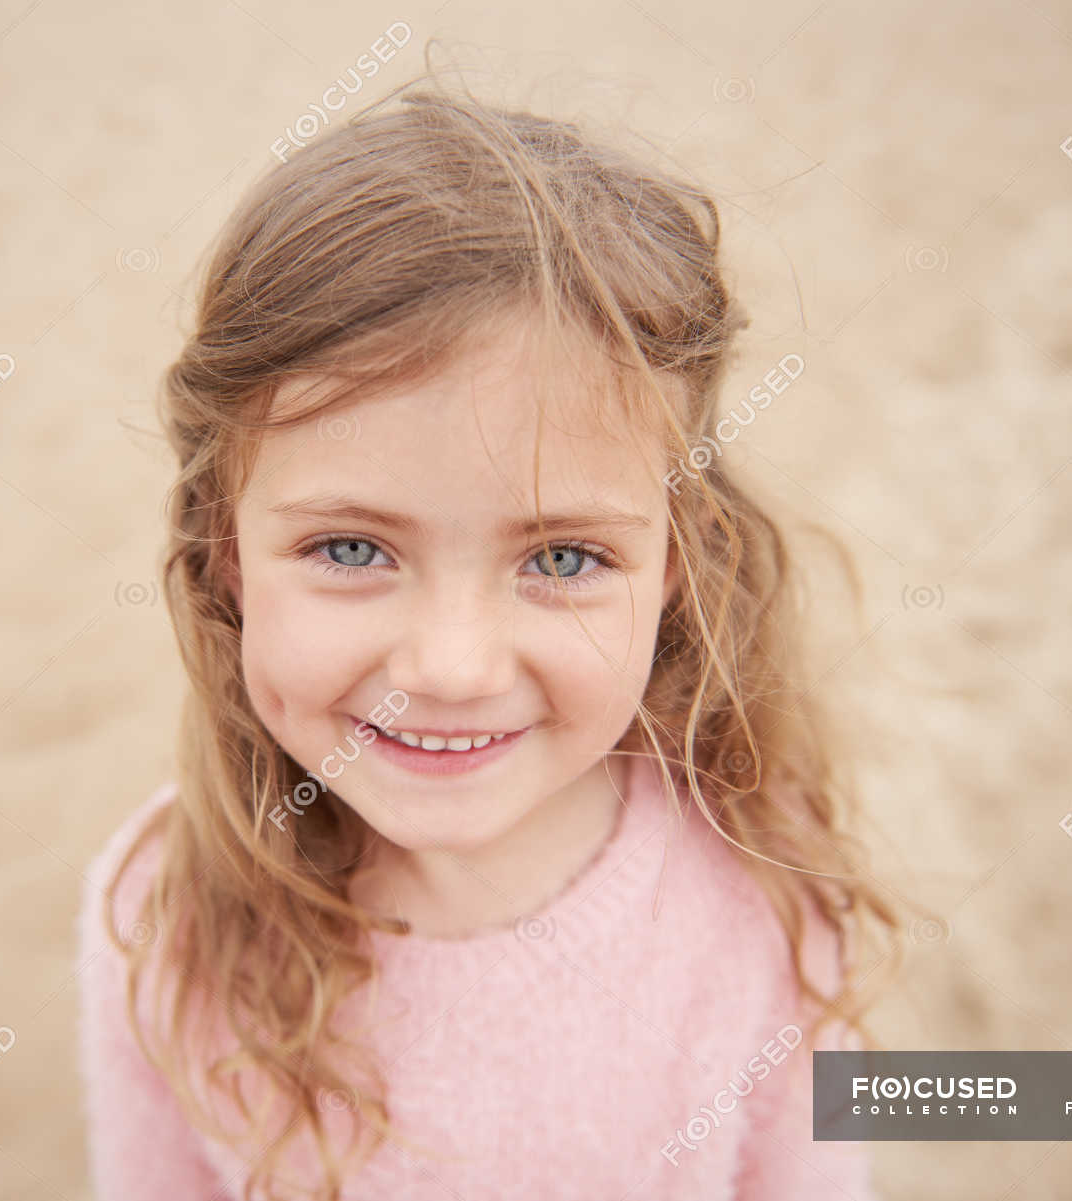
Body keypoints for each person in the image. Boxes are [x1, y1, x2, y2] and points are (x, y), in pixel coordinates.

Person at [75, 67, 906, 1200]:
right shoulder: (158, 910)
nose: (451, 667)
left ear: (677, 562)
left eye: (561, 558)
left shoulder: (761, 889)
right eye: (353, 549)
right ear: (224, 548)